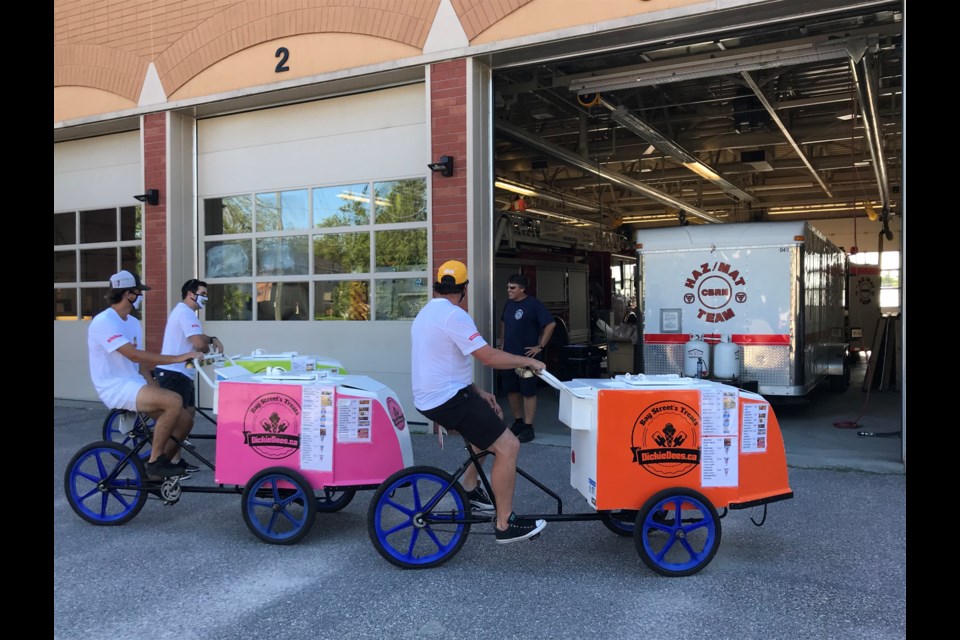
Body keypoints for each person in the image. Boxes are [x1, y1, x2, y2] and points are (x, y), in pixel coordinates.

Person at [411, 260, 547, 544]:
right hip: (447, 398)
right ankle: (504, 523)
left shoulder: (426, 313)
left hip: (434, 396)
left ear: (439, 285)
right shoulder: (454, 316)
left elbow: (441, 363)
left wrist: (477, 391)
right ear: (464, 289)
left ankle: (471, 487)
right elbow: (488, 357)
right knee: (509, 445)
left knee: (488, 421)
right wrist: (528, 361)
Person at [88, 271, 204, 480]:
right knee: (175, 400)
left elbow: (141, 364)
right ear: (128, 294)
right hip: (114, 386)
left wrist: (155, 388)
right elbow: (132, 354)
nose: (141, 297)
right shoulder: (103, 321)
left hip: (134, 383)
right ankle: (155, 462)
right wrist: (178, 358)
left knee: (185, 420)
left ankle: (156, 473)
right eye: (138, 292)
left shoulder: (132, 322)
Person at [154, 279, 224, 473]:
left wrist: (211, 338)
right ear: (190, 294)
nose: (206, 298)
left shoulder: (185, 313)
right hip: (174, 372)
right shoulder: (186, 314)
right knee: (179, 421)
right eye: (203, 293)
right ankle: (169, 462)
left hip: (182, 372)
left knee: (189, 414)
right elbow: (198, 343)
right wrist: (207, 344)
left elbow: (200, 339)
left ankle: (175, 459)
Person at [499, 273, 556, 443]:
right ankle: (518, 422)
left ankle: (529, 427)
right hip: (509, 356)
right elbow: (503, 322)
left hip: (527, 358)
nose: (509, 290)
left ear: (522, 289)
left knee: (528, 391)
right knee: (511, 389)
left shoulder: (533, 304)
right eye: (508, 287)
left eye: (513, 288)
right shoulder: (508, 304)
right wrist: (502, 344)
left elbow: (551, 323)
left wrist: (540, 346)